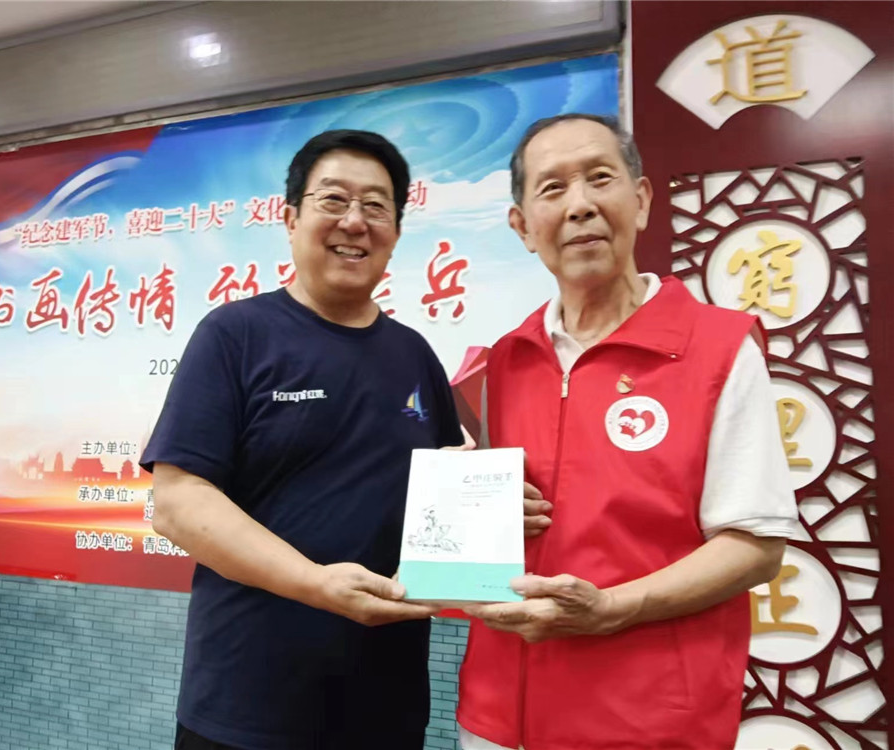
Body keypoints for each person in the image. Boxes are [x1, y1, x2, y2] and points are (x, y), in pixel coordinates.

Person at [456, 114, 799, 750]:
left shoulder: (719, 349)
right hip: (495, 716)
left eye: (599, 178)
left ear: (640, 200)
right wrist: (472, 508)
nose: (580, 205)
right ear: (522, 227)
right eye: (553, 188)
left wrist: (611, 609)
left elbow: (755, 547)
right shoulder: (504, 362)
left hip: (648, 721)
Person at [140, 129, 464, 750]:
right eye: (334, 200)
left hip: (385, 707)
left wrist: (495, 509)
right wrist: (315, 583)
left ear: (396, 231)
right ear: (290, 219)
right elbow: (178, 504)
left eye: (376, 206)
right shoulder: (234, 336)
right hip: (244, 707)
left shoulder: (415, 356)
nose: (355, 221)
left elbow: (444, 491)